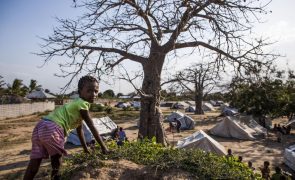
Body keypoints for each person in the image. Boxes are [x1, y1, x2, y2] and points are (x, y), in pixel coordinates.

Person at [24, 76, 109, 180]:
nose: (93, 94)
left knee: (34, 164)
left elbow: (80, 131)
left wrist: (86, 149)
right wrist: (104, 147)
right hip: (53, 128)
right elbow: (92, 126)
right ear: (80, 91)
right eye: (89, 91)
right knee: (57, 165)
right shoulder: (83, 104)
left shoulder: (75, 104)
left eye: (96, 91)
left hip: (40, 126)